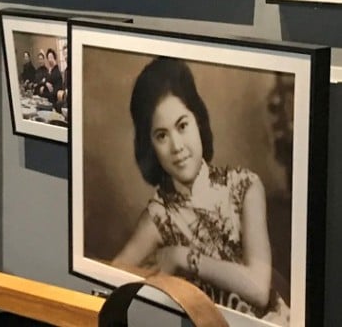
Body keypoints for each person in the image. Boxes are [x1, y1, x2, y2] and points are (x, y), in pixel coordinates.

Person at [112, 57, 289, 325]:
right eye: (161, 135)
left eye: (182, 126)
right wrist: (159, 280)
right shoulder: (160, 215)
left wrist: (182, 257)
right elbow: (112, 276)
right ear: (150, 147)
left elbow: (258, 288)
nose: (177, 147)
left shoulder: (244, 186)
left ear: (198, 120)